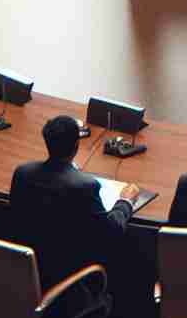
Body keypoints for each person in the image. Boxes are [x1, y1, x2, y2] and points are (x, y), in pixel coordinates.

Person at [9, 115, 142, 288]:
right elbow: (111, 232)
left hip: (28, 275)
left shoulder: (22, 174)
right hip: (69, 286)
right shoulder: (85, 186)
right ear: (77, 145)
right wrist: (125, 201)